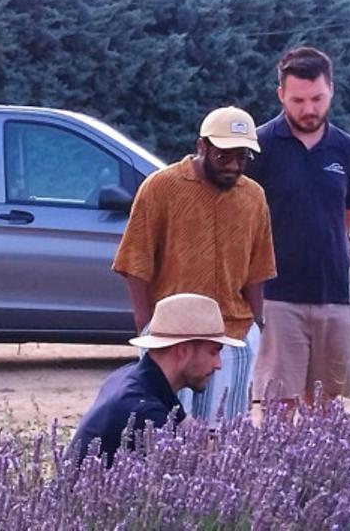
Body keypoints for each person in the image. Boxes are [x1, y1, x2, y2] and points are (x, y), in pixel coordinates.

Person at [111, 106, 276, 425]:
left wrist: (257, 325)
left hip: (233, 336)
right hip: (174, 338)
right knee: (167, 431)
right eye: (223, 156)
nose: (233, 165)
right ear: (202, 146)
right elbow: (134, 261)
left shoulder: (254, 197)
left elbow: (259, 268)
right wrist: (146, 326)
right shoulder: (161, 187)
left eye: (242, 157)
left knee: (226, 436)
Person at [246, 47, 350, 404]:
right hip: (278, 298)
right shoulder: (259, 147)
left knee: (327, 410)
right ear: (281, 94)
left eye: (318, 98)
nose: (309, 109)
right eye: (298, 100)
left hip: (336, 298)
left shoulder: (347, 150)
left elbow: (345, 219)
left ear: (331, 90)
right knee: (278, 408)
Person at [70, 293, 244, 465]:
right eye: (213, 352)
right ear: (183, 351)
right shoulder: (145, 413)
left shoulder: (136, 376)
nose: (218, 364)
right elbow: (202, 468)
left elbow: (194, 434)